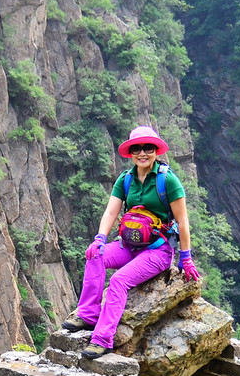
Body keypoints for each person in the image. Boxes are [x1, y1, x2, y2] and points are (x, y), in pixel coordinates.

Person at [61, 125, 201, 360]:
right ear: (131, 152)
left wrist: (185, 257)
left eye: (148, 148)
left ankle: (102, 339)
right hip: (128, 245)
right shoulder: (126, 179)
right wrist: (100, 239)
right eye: (137, 148)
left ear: (156, 151)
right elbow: (111, 212)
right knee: (95, 255)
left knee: (119, 280)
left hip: (157, 250)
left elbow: (182, 220)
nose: (142, 153)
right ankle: (88, 314)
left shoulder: (167, 180)